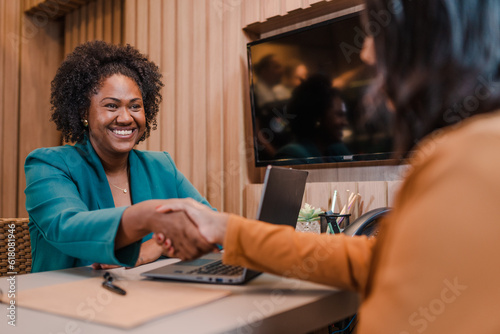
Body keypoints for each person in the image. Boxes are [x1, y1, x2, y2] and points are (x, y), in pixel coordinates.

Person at [155, 1, 500, 333]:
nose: (366, 52)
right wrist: (228, 229)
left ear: (433, 33)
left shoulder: (470, 159)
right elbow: (374, 260)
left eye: (377, 32)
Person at [24, 41, 214, 273]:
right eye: (112, 106)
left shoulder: (162, 166)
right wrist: (148, 217)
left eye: (135, 106)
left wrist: (153, 247)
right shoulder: (48, 165)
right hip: (63, 301)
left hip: (148, 299)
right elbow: (67, 229)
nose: (125, 118)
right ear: (84, 112)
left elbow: (211, 227)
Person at [275, 74, 350, 163]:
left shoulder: (337, 150)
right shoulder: (291, 156)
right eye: (339, 115)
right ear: (318, 117)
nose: (345, 123)